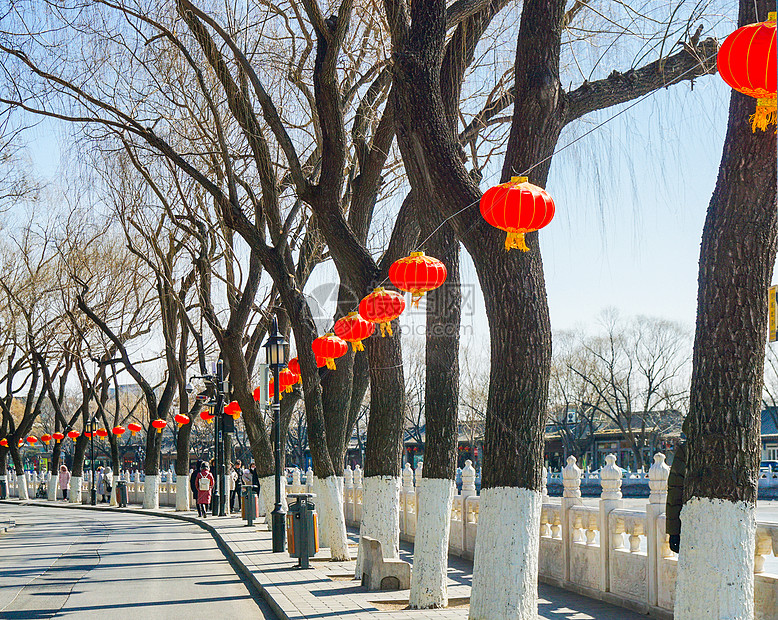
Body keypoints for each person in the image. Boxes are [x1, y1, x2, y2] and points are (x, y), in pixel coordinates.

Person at [665, 417, 690, 554]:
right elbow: (676, 489)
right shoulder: (686, 451)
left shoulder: (685, 450)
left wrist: (674, 532)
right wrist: (674, 531)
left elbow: (675, 491)